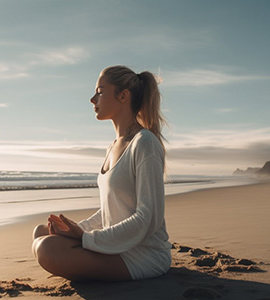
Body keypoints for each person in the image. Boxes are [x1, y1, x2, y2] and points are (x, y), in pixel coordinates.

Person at [31, 65, 171, 282]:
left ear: (123, 96)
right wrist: (79, 229)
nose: (92, 99)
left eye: (100, 91)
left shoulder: (145, 143)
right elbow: (111, 209)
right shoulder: (112, 147)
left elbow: (148, 218)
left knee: (47, 249)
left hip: (143, 254)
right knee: (42, 232)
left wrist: (86, 238)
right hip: (116, 244)